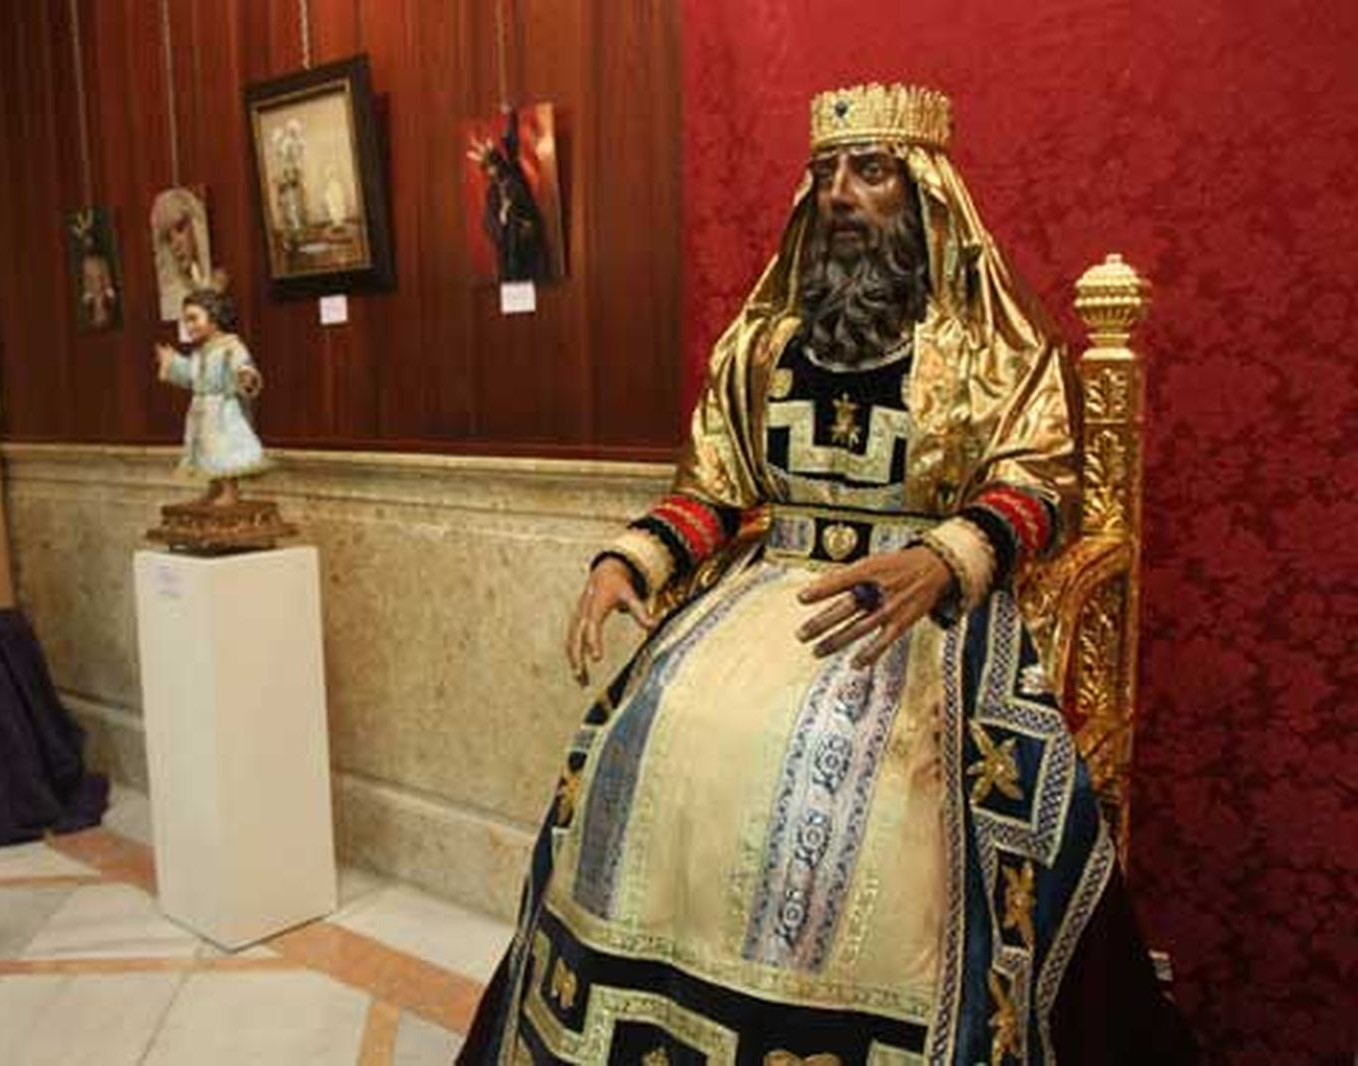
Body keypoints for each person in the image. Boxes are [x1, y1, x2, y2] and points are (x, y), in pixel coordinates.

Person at [458, 84, 1193, 1065]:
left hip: (925, 611)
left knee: (867, 797)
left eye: (869, 171)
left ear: (925, 195)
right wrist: (625, 557)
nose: (840, 193)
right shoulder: (760, 346)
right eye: (825, 176)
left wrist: (943, 558)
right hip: (761, 594)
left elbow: (1040, 480)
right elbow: (714, 486)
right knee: (647, 738)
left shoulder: (987, 347)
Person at [152, 288, 268, 507]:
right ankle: (215, 487)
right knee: (206, 449)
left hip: (222, 411)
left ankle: (230, 491)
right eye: (186, 320)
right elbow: (192, 377)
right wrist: (173, 362)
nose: (189, 326)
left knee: (223, 448)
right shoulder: (201, 351)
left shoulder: (231, 346)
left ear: (214, 317)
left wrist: (246, 376)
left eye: (194, 318)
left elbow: (243, 366)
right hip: (202, 411)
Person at [468, 106, 549, 282]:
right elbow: (488, 223)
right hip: (508, 252)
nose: (494, 171)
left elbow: (512, 144)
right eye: (490, 169)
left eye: (496, 165)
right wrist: (502, 218)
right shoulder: (493, 192)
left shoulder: (514, 175)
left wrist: (511, 116)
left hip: (528, 247)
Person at [150, 187, 212, 321]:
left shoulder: (212, 280)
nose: (175, 245)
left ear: (197, 225)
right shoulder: (171, 299)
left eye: (180, 229)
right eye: (168, 238)